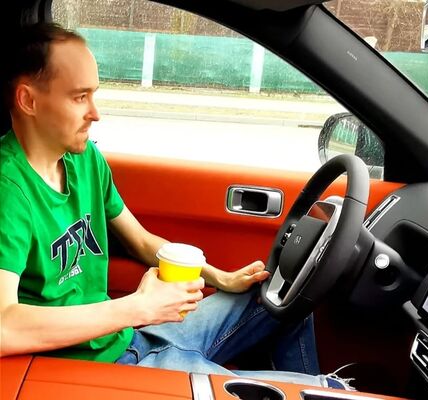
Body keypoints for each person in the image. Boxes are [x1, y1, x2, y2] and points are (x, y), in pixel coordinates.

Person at [0, 22, 349, 389]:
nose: (96, 113)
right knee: (328, 393)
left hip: (132, 336)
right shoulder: (9, 192)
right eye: (79, 97)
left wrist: (219, 277)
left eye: (94, 95)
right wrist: (138, 307)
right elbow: (4, 326)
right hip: (98, 369)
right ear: (28, 101)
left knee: (284, 294)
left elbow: (140, 241)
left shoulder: (84, 160)